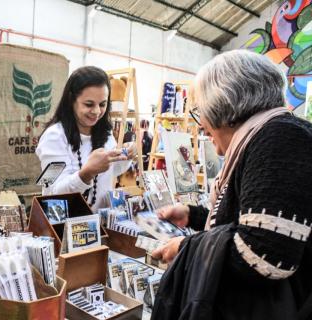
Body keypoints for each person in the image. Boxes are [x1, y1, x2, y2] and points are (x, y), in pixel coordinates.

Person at [150, 50, 312, 320]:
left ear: (222, 107)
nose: (200, 124)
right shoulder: (269, 135)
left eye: (199, 111)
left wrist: (185, 249)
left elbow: (263, 256)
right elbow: (252, 219)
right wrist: (193, 215)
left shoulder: (280, 137)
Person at [36, 66, 136, 211]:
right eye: (89, 104)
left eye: (102, 104)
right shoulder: (53, 137)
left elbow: (110, 172)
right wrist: (86, 173)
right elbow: (52, 193)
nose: (96, 111)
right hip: (63, 229)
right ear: (71, 100)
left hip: (100, 226)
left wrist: (126, 156)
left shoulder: (105, 134)